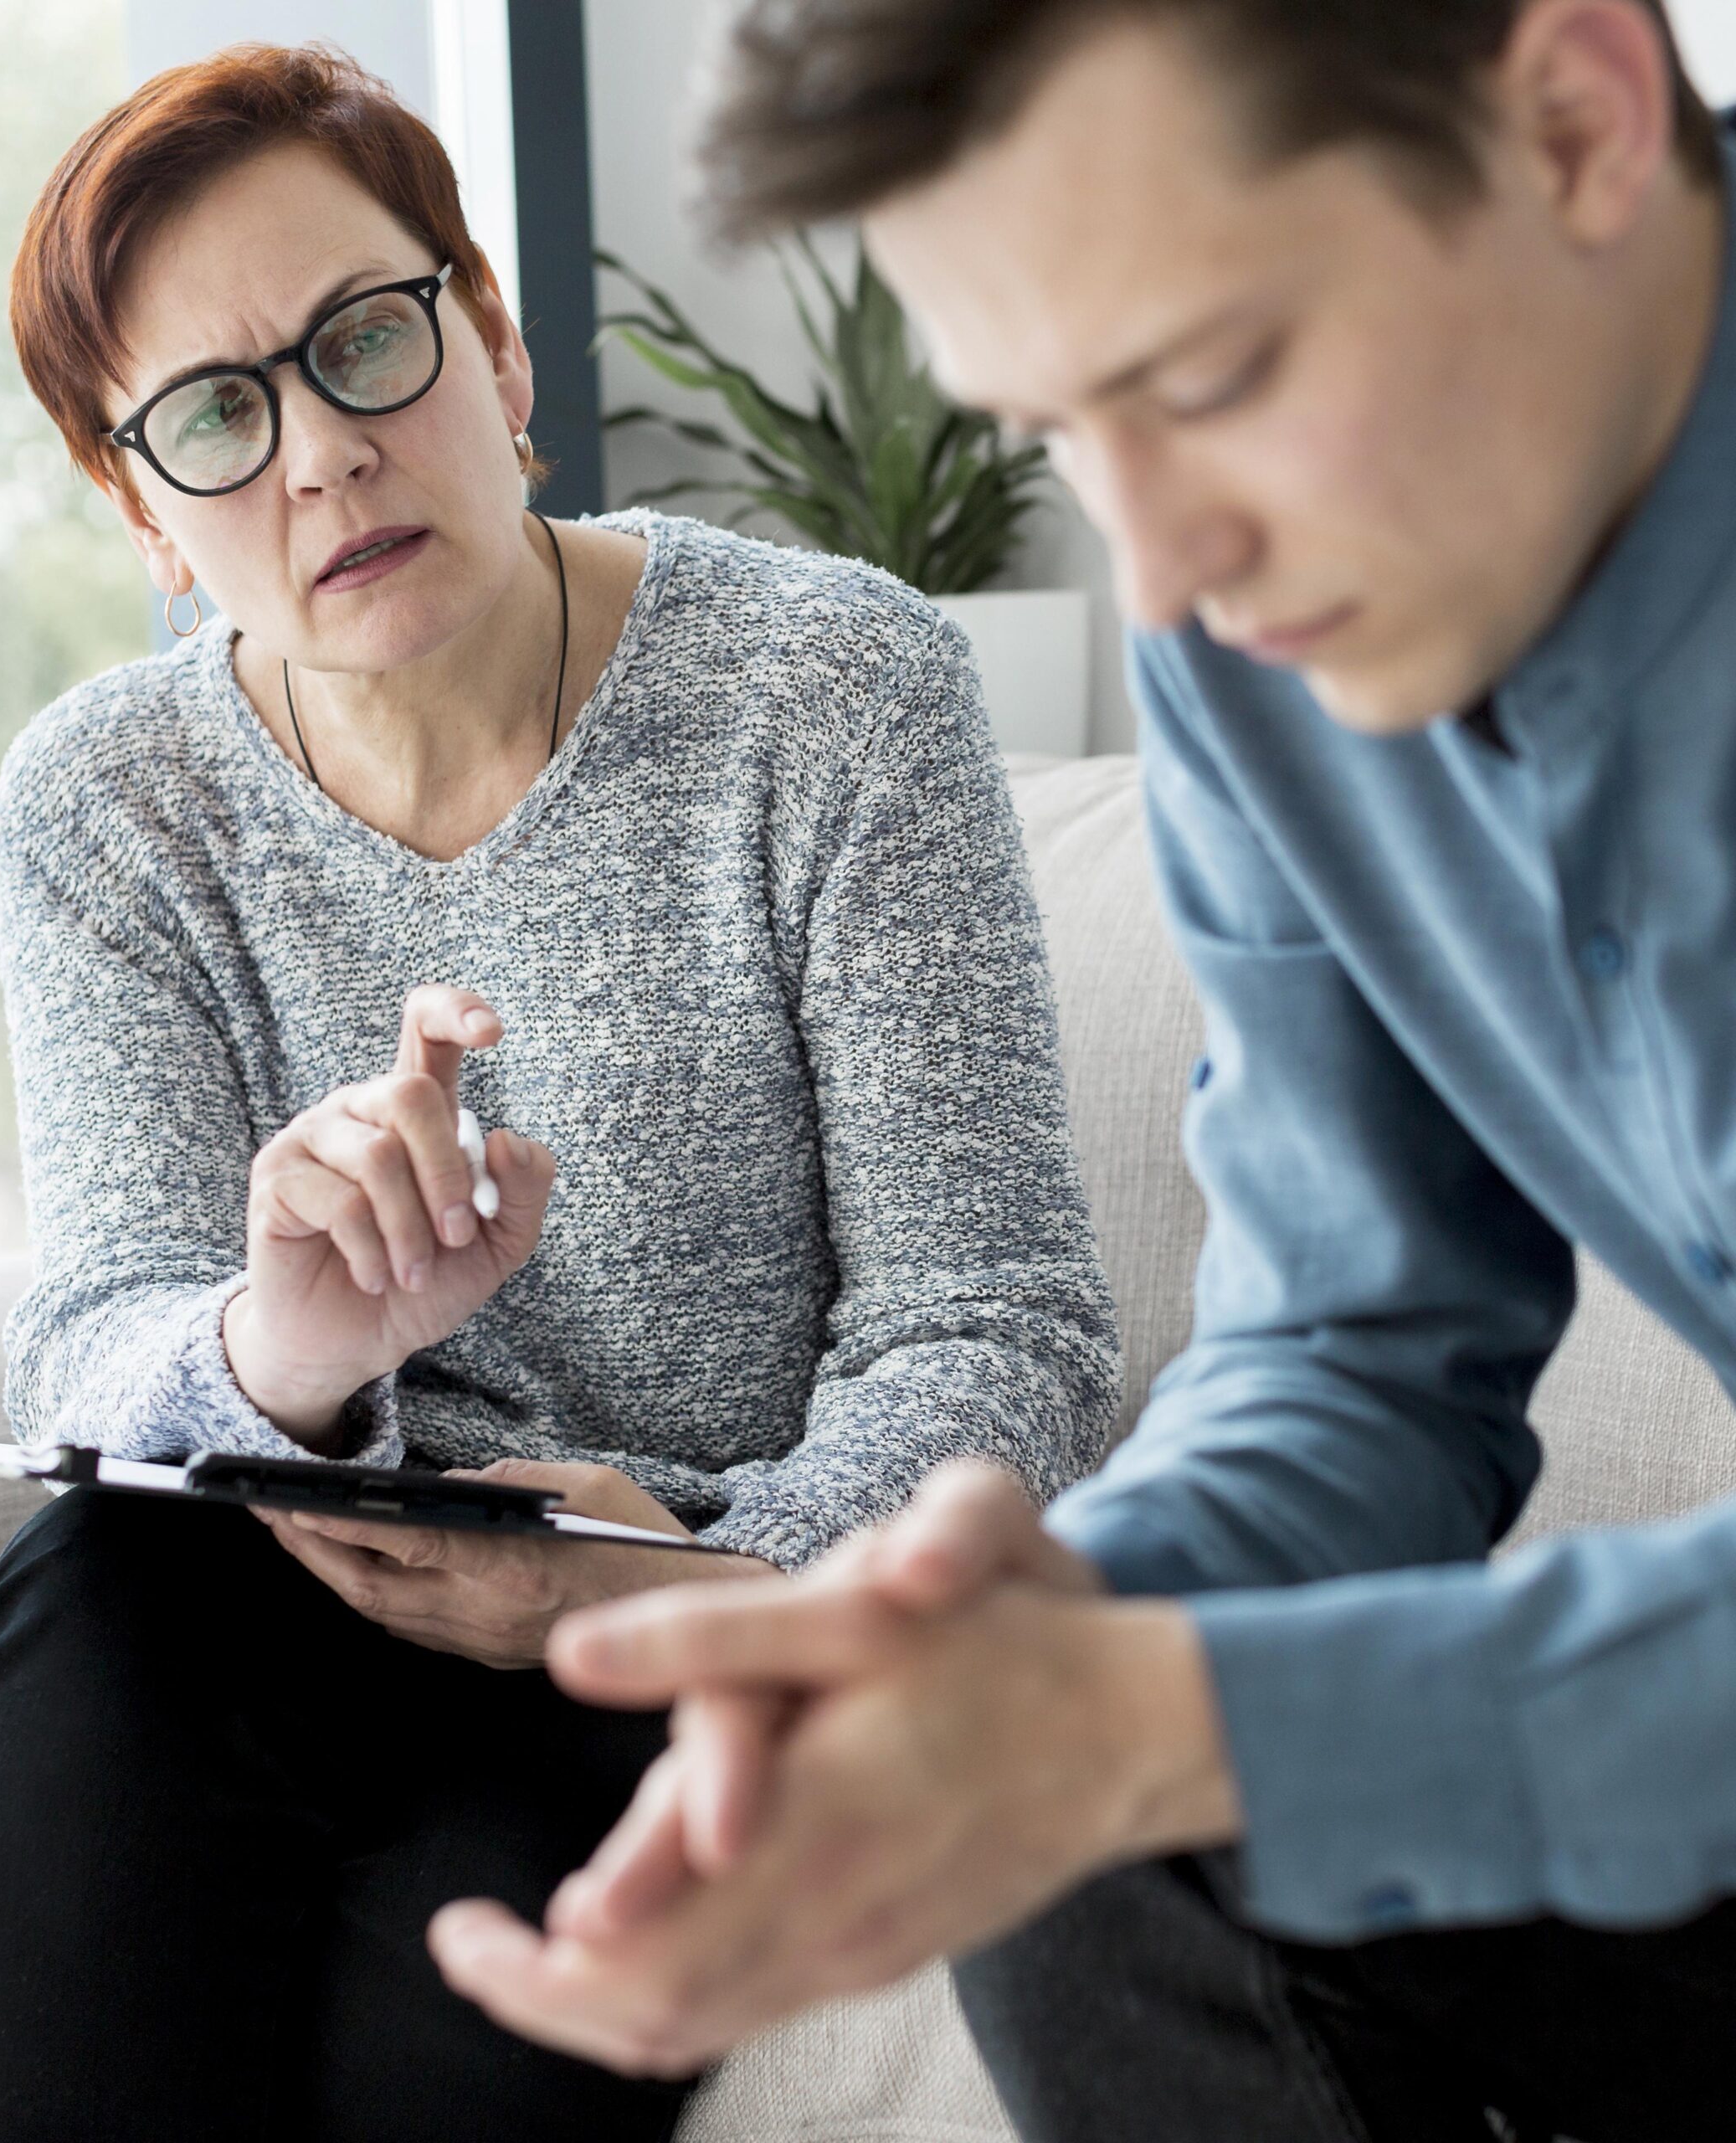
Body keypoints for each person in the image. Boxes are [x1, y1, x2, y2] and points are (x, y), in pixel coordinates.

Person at [425, 4, 1736, 2138]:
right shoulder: (1265, 631)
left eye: (1208, 375)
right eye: (1051, 431)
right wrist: (1027, 1644)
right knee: (1060, 1815)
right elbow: (1356, 1346)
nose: (1160, 575)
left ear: (1575, 118)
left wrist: (1174, 1716)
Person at [0, 37, 1120, 2143]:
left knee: (435, 2038)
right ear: (143, 514)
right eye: (214, 416)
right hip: (271, 1594)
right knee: (78, 1603)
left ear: (493, 344)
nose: (319, 459)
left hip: (666, 1607)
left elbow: (995, 1325)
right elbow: (95, 1329)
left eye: (364, 343)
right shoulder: (103, 803)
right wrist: (287, 1342)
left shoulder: (832, 692)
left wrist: (680, 1574)